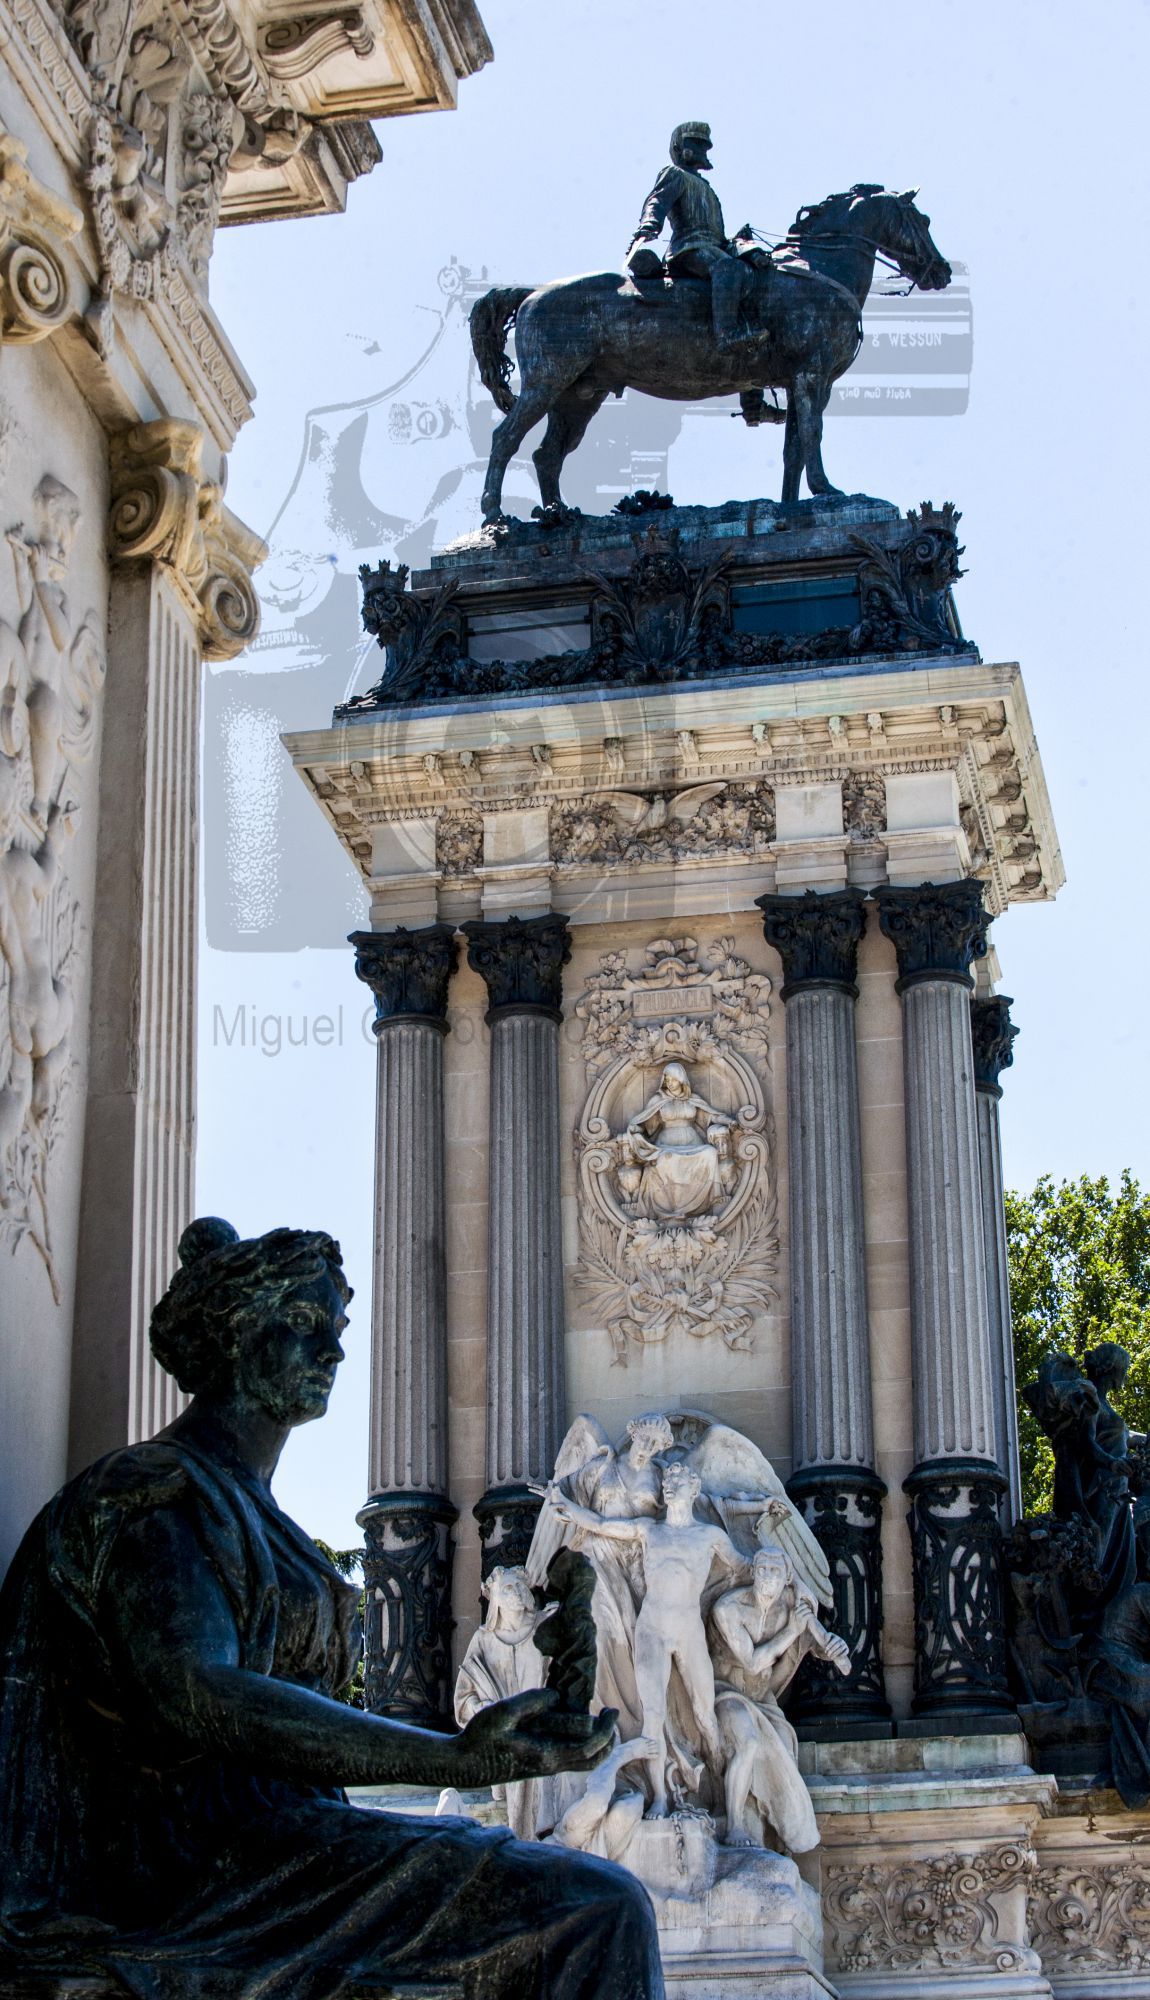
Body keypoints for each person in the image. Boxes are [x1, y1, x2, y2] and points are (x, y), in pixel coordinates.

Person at [0, 1216, 663, 2000]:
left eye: (338, 1328)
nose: (334, 1352)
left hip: (271, 1854)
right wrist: (449, 1759)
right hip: (187, 1874)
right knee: (596, 1909)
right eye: (304, 1324)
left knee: (575, 1901)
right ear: (237, 1335)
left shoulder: (244, 1511)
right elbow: (195, 1694)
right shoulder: (156, 1496)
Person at [547, 1459, 744, 1819]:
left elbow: (743, 1567)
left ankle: (721, 1791)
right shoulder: (649, 1530)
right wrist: (568, 1507)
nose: (670, 1485)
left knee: (706, 1716)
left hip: (688, 1631)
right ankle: (660, 1798)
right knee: (652, 1719)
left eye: (679, 1480)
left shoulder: (710, 1537)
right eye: (667, 1480)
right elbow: (604, 1525)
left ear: (695, 1489)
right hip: (651, 1629)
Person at [709, 1546, 850, 1852]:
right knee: (747, 1742)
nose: (766, 1577)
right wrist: (792, 1630)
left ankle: (776, 1842)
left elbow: (813, 1642)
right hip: (724, 1692)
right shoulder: (729, 1608)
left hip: (763, 1698)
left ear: (787, 1577)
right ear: (752, 1572)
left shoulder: (790, 1605)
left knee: (784, 1751)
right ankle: (734, 1826)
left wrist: (831, 1647)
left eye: (775, 1571)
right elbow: (754, 1662)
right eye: (761, 1569)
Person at [625, 122, 757, 353]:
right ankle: (727, 334)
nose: (701, 150)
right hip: (688, 249)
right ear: (678, 145)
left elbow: (715, 234)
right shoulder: (675, 173)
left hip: (713, 249)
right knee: (728, 269)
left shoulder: (707, 188)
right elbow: (656, 200)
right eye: (694, 143)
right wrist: (650, 224)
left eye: (704, 145)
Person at [622, 1061, 734, 1220]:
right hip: (667, 1143)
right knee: (664, 1159)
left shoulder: (693, 1099)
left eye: (673, 1079)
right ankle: (675, 1207)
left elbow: (712, 1115)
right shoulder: (658, 1101)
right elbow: (645, 1123)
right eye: (667, 1080)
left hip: (693, 1142)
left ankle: (705, 1201)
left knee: (710, 1153)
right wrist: (635, 1132)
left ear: (681, 1079)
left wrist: (729, 1122)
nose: (670, 1083)